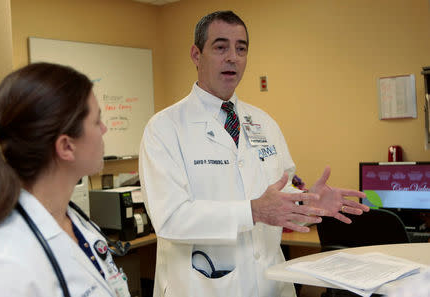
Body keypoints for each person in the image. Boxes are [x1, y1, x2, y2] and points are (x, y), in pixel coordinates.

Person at [139, 10, 369, 297]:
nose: (232, 57)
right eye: (221, 47)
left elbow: (280, 203)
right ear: (196, 55)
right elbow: (169, 218)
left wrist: (309, 204)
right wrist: (252, 210)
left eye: (241, 48)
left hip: (271, 284)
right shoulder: (164, 128)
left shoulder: (264, 123)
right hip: (202, 288)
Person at [0, 62, 131, 297]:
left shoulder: (74, 221)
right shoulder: (4, 265)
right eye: (96, 121)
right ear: (66, 146)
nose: (103, 129)